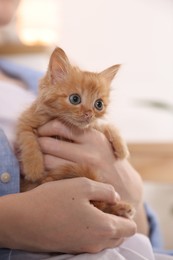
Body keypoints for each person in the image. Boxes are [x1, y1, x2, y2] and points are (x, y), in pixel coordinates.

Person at [0, 0, 172, 259]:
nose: (89, 112)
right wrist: (9, 224)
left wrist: (132, 192)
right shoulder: (47, 96)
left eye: (99, 105)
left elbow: (144, 238)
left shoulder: (31, 77)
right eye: (76, 101)